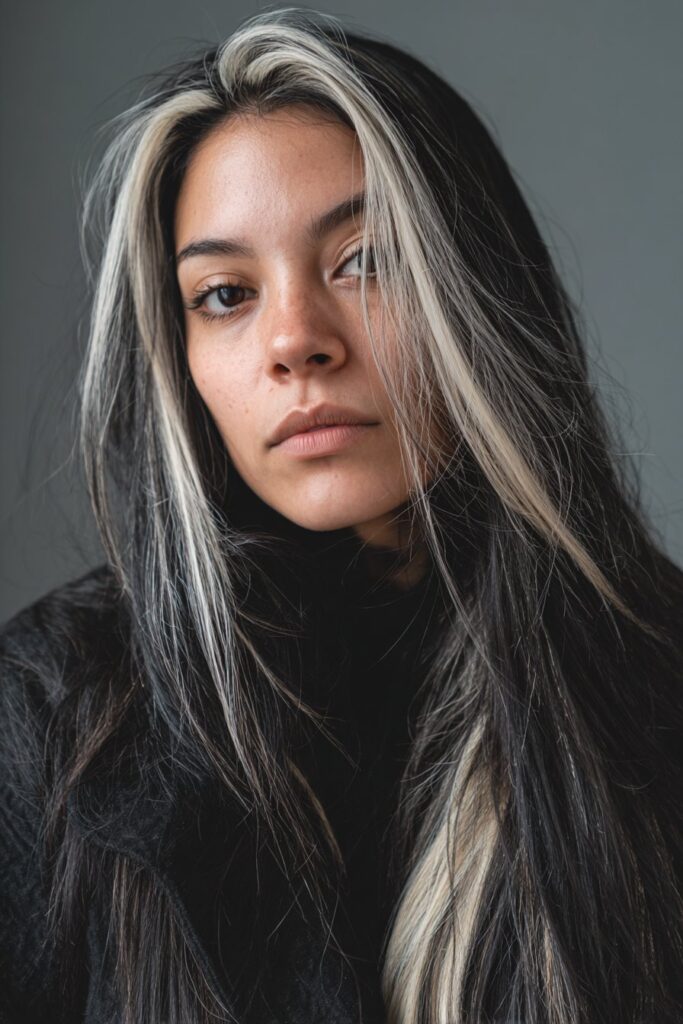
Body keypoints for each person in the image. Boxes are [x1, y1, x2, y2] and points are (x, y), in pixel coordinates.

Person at [1, 7, 682, 1023]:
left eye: (365, 260)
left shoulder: (652, 676)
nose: (294, 341)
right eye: (225, 293)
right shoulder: (54, 712)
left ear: (481, 296)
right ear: (178, 359)